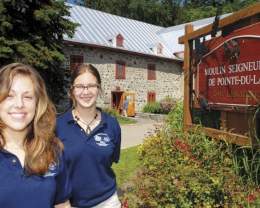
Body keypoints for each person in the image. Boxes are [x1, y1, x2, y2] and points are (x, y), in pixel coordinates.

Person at [0, 63, 71, 208]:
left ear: (38, 103)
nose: (19, 104)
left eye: (27, 97)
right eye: (9, 96)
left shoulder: (53, 149)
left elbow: (62, 203)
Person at [56, 64, 121, 208]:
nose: (86, 91)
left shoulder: (112, 124)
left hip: (108, 201)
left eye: (91, 85)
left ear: (99, 89)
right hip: (70, 204)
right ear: (71, 91)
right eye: (79, 86)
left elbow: (110, 160)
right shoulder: (58, 126)